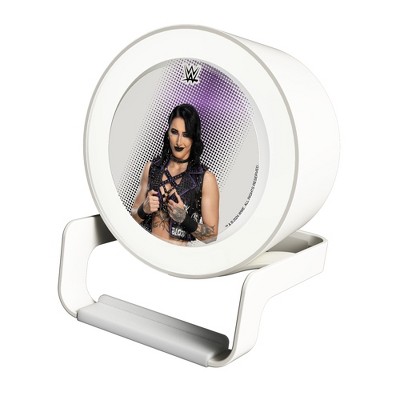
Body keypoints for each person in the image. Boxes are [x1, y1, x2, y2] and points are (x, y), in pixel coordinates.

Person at [131, 104, 219, 244]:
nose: (179, 142)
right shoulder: (151, 168)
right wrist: (143, 209)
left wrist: (185, 219)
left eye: (186, 135)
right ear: (168, 133)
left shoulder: (206, 178)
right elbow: (132, 219)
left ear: (194, 138)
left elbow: (212, 236)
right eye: (174, 132)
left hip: (179, 256)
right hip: (147, 250)